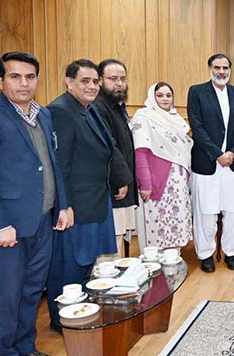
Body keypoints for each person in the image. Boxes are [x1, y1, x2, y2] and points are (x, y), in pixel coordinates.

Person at [0, 51, 71, 356]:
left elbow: (52, 162)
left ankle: (26, 349)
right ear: (0, 80)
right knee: (7, 298)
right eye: (15, 76)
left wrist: (63, 204)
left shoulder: (43, 114)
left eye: (30, 76)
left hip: (42, 221)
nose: (24, 83)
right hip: (6, 229)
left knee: (31, 292)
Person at [47, 59, 132, 331]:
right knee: (69, 266)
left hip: (96, 199)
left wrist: (119, 178)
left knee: (85, 265)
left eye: (95, 81)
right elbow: (60, 165)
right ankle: (64, 322)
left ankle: (81, 314)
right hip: (76, 207)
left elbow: (108, 145)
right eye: (85, 81)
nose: (92, 86)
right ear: (69, 82)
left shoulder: (87, 108)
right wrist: (65, 205)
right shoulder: (61, 111)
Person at [188, 53, 234, 272]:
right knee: (206, 211)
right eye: (217, 67)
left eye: (225, 68)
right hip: (207, 162)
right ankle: (206, 254)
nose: (221, 71)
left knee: (232, 211)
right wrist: (217, 153)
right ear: (209, 68)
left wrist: (232, 152)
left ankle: (231, 252)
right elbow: (197, 126)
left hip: (232, 163)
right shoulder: (197, 92)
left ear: (230, 70)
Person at [132, 82, 193, 250]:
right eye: (160, 95)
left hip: (177, 184)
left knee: (176, 223)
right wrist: (145, 184)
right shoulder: (144, 117)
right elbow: (140, 152)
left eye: (168, 95)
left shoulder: (175, 119)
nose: (165, 99)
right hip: (157, 183)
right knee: (157, 227)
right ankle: (155, 267)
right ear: (152, 97)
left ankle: (173, 262)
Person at [92, 59, 137, 256]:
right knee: (112, 242)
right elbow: (109, 147)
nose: (119, 83)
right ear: (100, 80)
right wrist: (121, 178)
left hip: (122, 183)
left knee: (119, 237)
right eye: (113, 79)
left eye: (122, 79)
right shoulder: (98, 107)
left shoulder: (116, 106)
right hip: (113, 186)